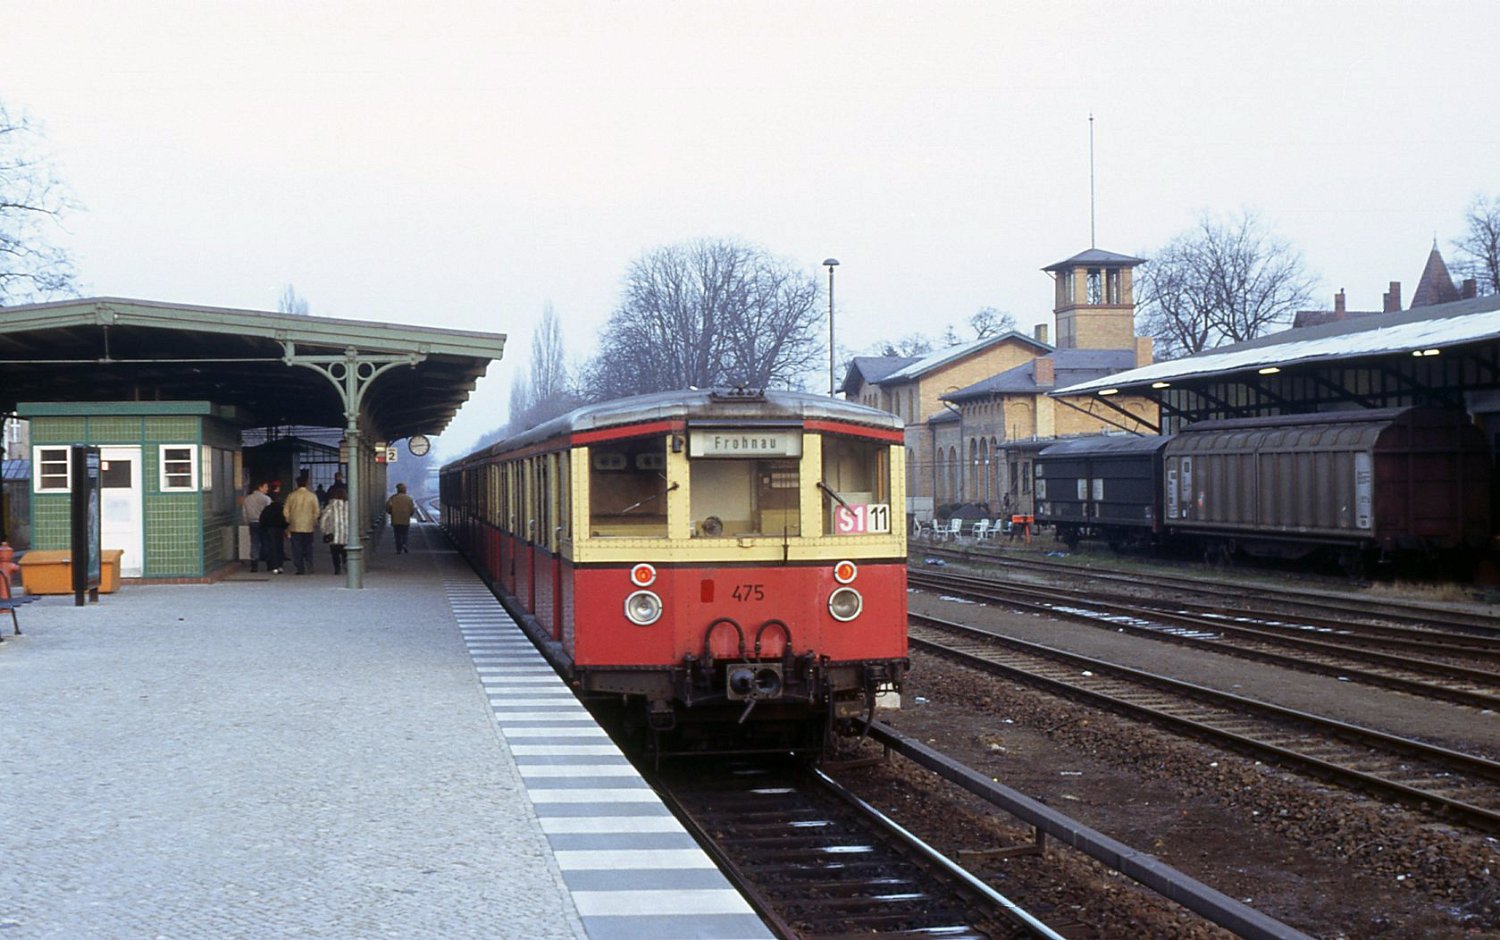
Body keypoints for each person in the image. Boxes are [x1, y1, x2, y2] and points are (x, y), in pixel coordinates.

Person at [284, 472, 321, 575]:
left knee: (297, 548)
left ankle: (300, 568)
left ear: (297, 483)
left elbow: (285, 511)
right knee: (308, 547)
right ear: (307, 483)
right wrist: (313, 520)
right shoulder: (312, 496)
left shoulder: (291, 496)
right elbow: (317, 511)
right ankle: (309, 564)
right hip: (308, 526)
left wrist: (289, 520)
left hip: (295, 526)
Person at [319, 485, 350, 575]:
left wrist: (325, 531)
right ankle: (346, 565)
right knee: (345, 552)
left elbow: (323, 519)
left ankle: (337, 568)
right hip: (346, 535)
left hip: (333, 534)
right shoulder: (349, 506)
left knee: (335, 554)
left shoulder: (330, 506)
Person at [258, 482, 288, 574]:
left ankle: (272, 565)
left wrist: (264, 528)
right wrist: (285, 527)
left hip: (269, 530)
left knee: (271, 547)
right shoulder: (281, 509)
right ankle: (280, 565)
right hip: (279, 530)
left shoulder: (267, 509)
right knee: (279, 547)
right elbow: (285, 519)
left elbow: (262, 519)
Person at [242, 480, 271, 573]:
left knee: (254, 543)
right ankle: (268, 563)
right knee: (266, 542)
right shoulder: (266, 499)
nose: (267, 489)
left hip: (252, 523)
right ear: (260, 487)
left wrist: (246, 522)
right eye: (265, 487)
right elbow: (269, 512)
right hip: (264, 523)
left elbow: (244, 512)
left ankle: (254, 564)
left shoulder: (247, 499)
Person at [386, 482, 415, 554]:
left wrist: (391, 512)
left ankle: (399, 549)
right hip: (405, 519)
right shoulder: (408, 498)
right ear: (404, 490)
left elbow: (388, 507)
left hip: (396, 520)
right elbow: (412, 509)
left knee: (397, 535)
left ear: (397, 489)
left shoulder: (393, 498)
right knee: (405, 533)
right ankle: (404, 544)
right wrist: (409, 514)